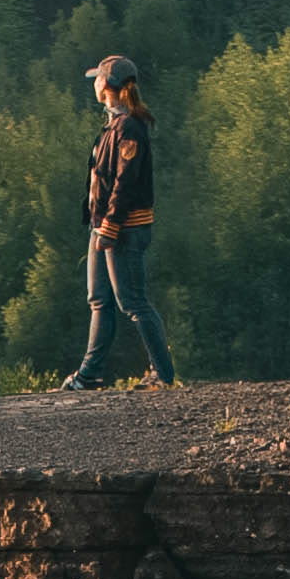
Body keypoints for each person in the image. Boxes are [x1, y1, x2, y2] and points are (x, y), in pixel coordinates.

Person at [56, 53, 176, 390]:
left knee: (133, 302)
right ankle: (89, 375)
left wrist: (109, 228)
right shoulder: (115, 125)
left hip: (123, 228)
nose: (93, 84)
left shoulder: (130, 128)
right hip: (103, 226)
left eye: (97, 79)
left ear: (107, 85)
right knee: (100, 301)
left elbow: (125, 183)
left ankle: (163, 375)